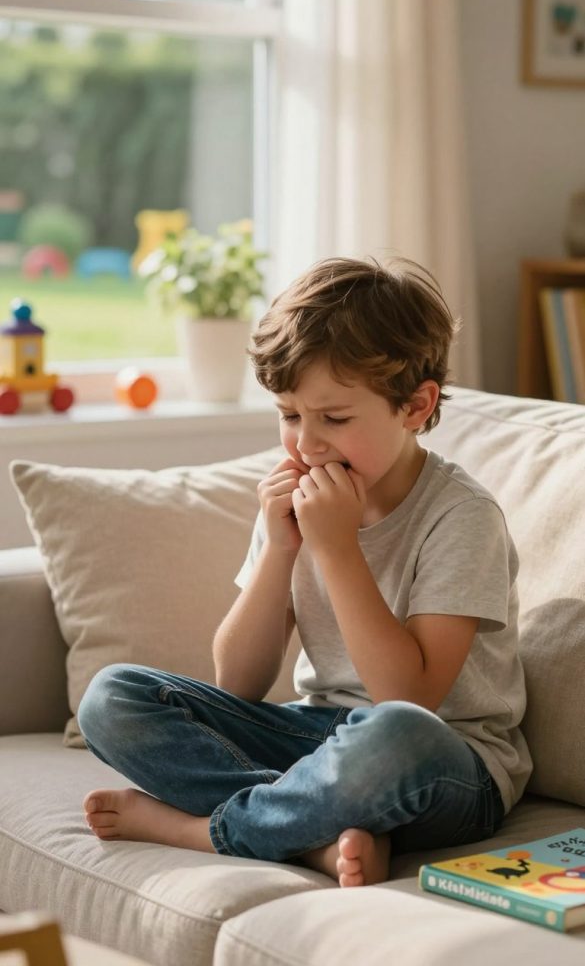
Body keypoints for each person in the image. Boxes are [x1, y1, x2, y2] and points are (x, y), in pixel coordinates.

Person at [79, 256, 532, 887]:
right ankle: (309, 834)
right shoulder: (295, 500)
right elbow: (237, 680)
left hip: (444, 761)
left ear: (414, 405)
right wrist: (280, 552)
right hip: (318, 739)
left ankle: (205, 830)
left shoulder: (462, 517)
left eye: (335, 418)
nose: (306, 444)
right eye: (290, 415)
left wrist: (339, 550)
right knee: (113, 697)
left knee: (395, 734)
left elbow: (410, 699)